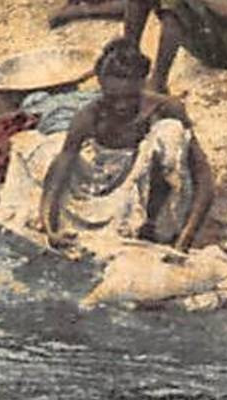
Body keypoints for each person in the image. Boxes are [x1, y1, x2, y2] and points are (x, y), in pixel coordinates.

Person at [32, 39, 215, 252]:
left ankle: (159, 226)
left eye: (130, 97)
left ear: (142, 84)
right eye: (113, 98)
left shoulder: (166, 108)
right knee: (52, 156)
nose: (121, 105)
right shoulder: (90, 115)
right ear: (100, 85)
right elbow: (59, 171)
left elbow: (204, 179)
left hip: (155, 194)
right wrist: (50, 227)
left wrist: (185, 240)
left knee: (170, 132)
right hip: (107, 187)